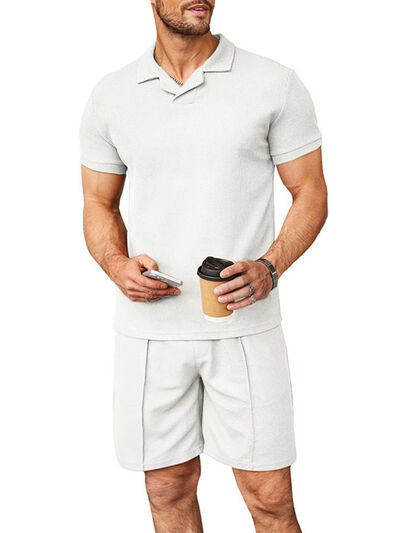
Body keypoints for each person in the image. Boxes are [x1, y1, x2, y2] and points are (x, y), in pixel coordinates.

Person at [80, 1, 328, 531]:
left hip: (244, 327)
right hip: (150, 334)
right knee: (167, 489)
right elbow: (99, 203)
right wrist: (116, 265)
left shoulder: (274, 83)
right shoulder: (112, 94)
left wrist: (270, 267)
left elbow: (310, 192)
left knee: (269, 498)